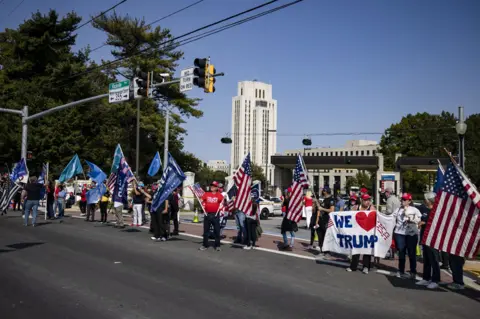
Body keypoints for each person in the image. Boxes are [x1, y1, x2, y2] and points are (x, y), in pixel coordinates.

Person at [393, 193, 422, 279]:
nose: (403, 201)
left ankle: (413, 271)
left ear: (409, 201)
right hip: (399, 233)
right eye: (402, 199)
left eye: (405, 199)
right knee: (401, 252)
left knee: (411, 253)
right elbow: (391, 218)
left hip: (411, 234)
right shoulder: (397, 210)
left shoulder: (414, 209)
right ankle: (401, 270)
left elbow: (419, 220)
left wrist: (411, 219)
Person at [416, 192, 441, 289]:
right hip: (424, 237)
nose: (424, 201)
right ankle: (426, 278)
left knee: (434, 260)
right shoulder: (425, 210)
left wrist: (424, 222)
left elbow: (436, 224)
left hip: (433, 238)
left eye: (425, 199)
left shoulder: (436, 211)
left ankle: (435, 280)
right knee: (426, 259)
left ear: (428, 200)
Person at [346, 193, 376, 274]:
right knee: (356, 249)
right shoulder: (356, 208)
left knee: (367, 250)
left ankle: (366, 267)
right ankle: (353, 266)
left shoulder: (372, 208)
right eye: (365, 200)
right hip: (357, 232)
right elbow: (348, 216)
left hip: (368, 232)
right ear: (361, 200)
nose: (367, 202)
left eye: (368, 200)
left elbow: (377, 218)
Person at [199, 181, 224, 251]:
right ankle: (205, 245)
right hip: (207, 214)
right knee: (206, 231)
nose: (212, 187)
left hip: (215, 215)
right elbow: (201, 200)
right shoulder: (206, 194)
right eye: (211, 186)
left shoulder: (219, 195)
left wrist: (223, 202)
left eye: (213, 186)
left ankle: (217, 245)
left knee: (217, 231)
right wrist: (200, 201)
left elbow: (223, 202)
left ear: (216, 188)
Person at [317, 187, 335, 254]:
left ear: (326, 191)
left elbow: (331, 210)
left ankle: (326, 250)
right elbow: (320, 209)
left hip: (327, 219)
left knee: (326, 235)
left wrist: (322, 209)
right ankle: (321, 248)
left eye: (323, 191)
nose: (322, 192)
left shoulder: (331, 200)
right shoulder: (323, 199)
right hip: (321, 219)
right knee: (320, 234)